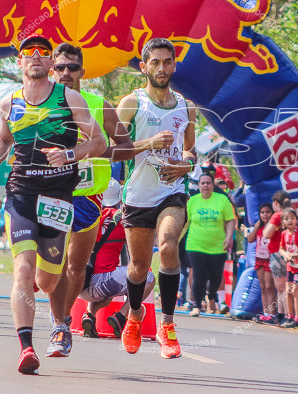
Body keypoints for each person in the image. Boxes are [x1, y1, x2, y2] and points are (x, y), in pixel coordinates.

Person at [0, 36, 106, 374]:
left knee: (48, 281)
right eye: (28, 53)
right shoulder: (9, 103)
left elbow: (99, 141)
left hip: (59, 196)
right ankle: (26, 348)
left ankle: (45, 298)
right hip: (21, 193)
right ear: (19, 63)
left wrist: (69, 154)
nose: (36, 57)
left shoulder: (69, 98)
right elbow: (3, 138)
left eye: (43, 53)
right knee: (22, 268)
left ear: (51, 63)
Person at [45, 43, 132, 355]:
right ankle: (59, 323)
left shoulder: (99, 105)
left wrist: (96, 148)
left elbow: (126, 146)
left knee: (76, 265)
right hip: (52, 194)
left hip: (88, 198)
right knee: (54, 263)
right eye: (60, 68)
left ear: (83, 72)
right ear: (51, 70)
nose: (66, 73)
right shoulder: (40, 104)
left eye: (73, 68)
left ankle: (63, 324)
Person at [114, 37, 197, 359]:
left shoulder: (186, 106)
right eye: (155, 63)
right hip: (137, 196)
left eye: (167, 62)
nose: (162, 68)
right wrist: (147, 143)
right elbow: (115, 150)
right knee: (137, 267)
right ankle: (135, 316)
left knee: (169, 245)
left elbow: (191, 150)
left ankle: (168, 325)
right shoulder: (132, 103)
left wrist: (186, 164)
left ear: (174, 65)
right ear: (143, 67)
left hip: (171, 192)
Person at [78, 182, 157, 337]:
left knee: (107, 297)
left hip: (81, 283)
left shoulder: (89, 215)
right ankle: (121, 315)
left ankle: (89, 315)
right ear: (119, 198)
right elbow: (134, 255)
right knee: (147, 277)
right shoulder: (123, 219)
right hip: (104, 279)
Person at [184, 172, 236, 316]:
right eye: (203, 183)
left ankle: (212, 296)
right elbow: (185, 222)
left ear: (212, 185)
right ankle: (197, 305)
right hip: (195, 244)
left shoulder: (221, 200)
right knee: (198, 275)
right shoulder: (193, 201)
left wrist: (228, 237)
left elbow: (230, 220)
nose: (205, 186)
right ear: (199, 186)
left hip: (218, 246)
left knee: (215, 276)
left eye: (208, 183)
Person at [260, 190, 291, 323]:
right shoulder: (291, 213)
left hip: (277, 252)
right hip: (290, 252)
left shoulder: (278, 215)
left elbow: (267, 233)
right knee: (287, 285)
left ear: (276, 203)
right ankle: (288, 315)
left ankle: (283, 315)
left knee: (281, 287)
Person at [243, 202, 276, 324]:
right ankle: (266, 312)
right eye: (262, 212)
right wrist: (257, 225)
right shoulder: (260, 227)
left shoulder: (273, 227)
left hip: (270, 259)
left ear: (272, 213)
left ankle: (272, 313)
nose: (265, 215)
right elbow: (250, 239)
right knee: (262, 287)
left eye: (268, 212)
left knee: (269, 286)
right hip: (259, 259)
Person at [278, 208, 298, 327]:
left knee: (296, 291)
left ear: (296, 220)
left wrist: (296, 255)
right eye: (286, 219)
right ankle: (289, 317)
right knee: (288, 292)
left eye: (292, 218)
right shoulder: (283, 234)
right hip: (290, 267)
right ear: (283, 222)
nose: (290, 221)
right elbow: (281, 249)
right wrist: (285, 254)